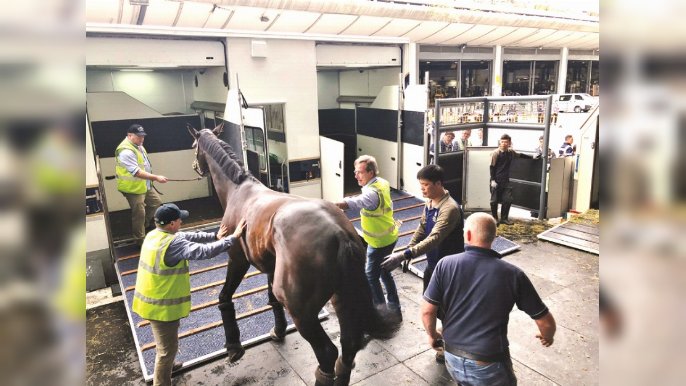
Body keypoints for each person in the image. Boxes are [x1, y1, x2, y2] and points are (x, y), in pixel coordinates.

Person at [421, 213, 556, 386]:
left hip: (452, 356)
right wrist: (548, 336)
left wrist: (432, 335)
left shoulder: (444, 264)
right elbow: (545, 322)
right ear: (494, 236)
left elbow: (427, 311)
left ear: (468, 235)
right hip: (488, 363)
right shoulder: (513, 274)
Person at [132, 203, 245, 386]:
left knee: (167, 344)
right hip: (162, 308)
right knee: (166, 351)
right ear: (171, 224)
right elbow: (203, 252)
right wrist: (232, 238)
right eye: (179, 220)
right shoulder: (173, 244)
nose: (182, 221)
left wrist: (213, 235)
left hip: (150, 301)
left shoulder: (154, 235)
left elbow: (188, 235)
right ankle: (162, 381)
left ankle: (169, 365)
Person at [380, 164, 463, 360]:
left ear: (439, 184)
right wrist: (408, 249)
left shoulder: (450, 208)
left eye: (425, 185)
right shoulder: (430, 203)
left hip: (450, 268)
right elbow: (422, 227)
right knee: (432, 306)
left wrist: (404, 255)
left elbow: (435, 237)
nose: (422, 189)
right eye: (421, 184)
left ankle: (449, 346)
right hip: (433, 266)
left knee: (448, 309)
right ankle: (442, 339)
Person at [334, 155, 401, 317]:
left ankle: (381, 313)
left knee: (371, 276)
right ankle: (394, 308)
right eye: (355, 172)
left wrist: (330, 206)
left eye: (360, 172)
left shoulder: (371, 193)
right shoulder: (381, 183)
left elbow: (356, 202)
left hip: (379, 242)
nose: (356, 176)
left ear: (370, 172)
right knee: (385, 272)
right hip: (389, 235)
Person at [115, 124, 168, 245]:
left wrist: (151, 179)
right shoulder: (125, 151)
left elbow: (144, 165)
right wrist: (156, 177)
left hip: (144, 184)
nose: (142, 139)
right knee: (139, 213)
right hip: (133, 188)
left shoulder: (138, 145)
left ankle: (145, 225)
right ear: (129, 136)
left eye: (143, 136)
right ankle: (140, 241)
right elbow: (137, 172)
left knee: (156, 203)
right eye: (138, 136)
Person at [490, 134, 533, 225]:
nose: (504, 144)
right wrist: (492, 180)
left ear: (509, 143)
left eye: (506, 142)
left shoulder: (510, 152)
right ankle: (494, 218)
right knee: (494, 201)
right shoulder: (496, 153)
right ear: (499, 142)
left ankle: (504, 219)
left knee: (508, 199)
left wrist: (532, 157)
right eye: (502, 142)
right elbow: (492, 167)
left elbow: (520, 155)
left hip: (505, 180)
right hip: (496, 180)